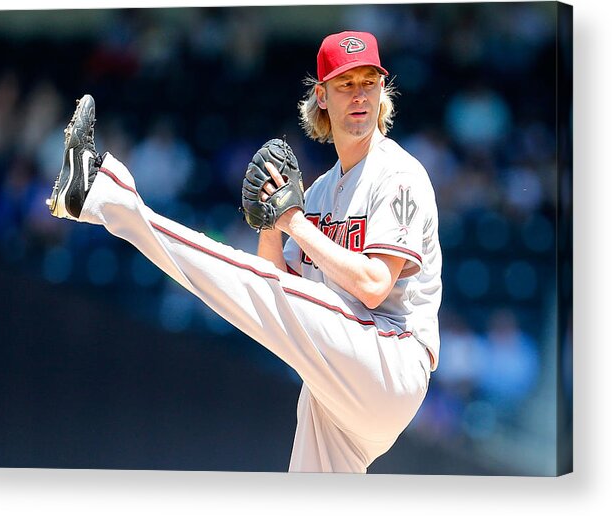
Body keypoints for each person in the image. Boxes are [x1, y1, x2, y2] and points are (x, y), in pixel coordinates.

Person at [47, 30, 442, 473]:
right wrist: (270, 225)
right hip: (338, 389)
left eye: (369, 82)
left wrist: (292, 219)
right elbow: (279, 292)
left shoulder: (398, 174)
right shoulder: (322, 192)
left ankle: (100, 192)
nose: (359, 95)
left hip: (390, 360)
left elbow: (374, 285)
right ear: (322, 96)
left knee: (255, 286)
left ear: (382, 92)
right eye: (346, 84)